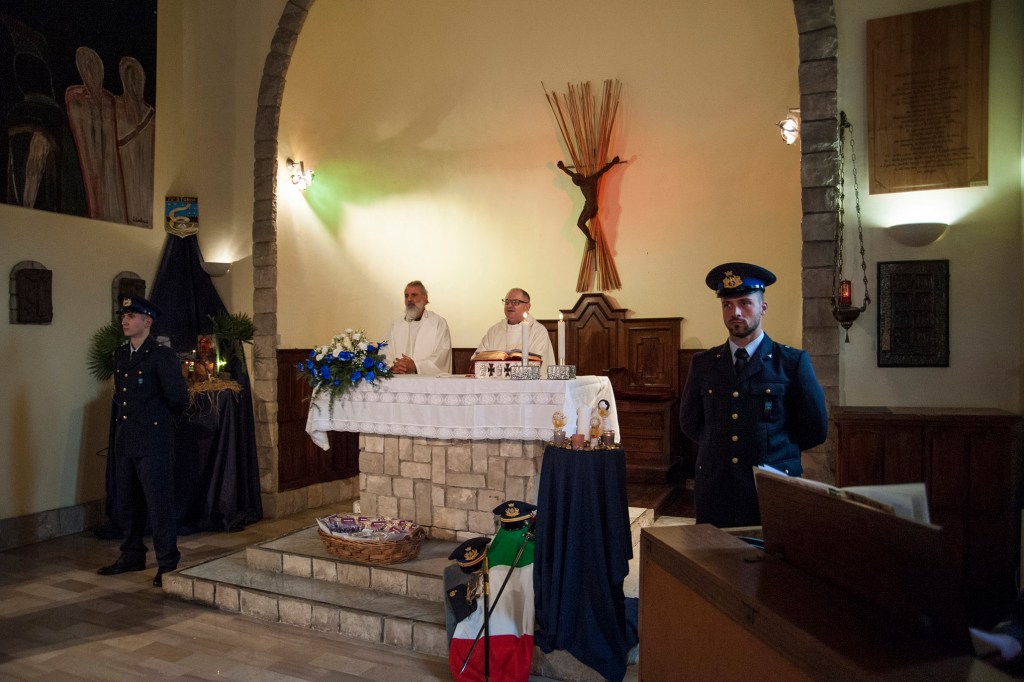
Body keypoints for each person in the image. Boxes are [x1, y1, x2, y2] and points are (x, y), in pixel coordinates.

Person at [679, 262, 828, 528]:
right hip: (716, 486)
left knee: (772, 562)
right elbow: (690, 421)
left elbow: (815, 429)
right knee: (713, 562)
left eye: (745, 303)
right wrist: (718, 445)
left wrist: (772, 450)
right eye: (727, 304)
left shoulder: (791, 362)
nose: (735, 312)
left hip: (771, 485)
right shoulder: (704, 363)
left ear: (763, 307)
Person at [98, 296, 188, 587]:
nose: (124, 321)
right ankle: (132, 553)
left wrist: (158, 424)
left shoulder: (161, 356)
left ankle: (167, 563)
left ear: (147, 321)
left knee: (158, 505)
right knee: (127, 502)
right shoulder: (121, 355)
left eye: (131, 316)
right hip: (127, 439)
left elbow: (178, 398)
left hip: (153, 440)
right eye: (123, 316)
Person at [471, 288, 555, 370]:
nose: (509, 305)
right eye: (507, 302)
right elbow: (477, 359)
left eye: (515, 302)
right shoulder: (494, 331)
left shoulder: (538, 331)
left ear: (527, 307)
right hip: (496, 383)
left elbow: (536, 365)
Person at [384, 280, 452, 376]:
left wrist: (416, 366)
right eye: (406, 296)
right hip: (398, 381)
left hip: (426, 384)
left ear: (425, 298)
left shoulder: (438, 323)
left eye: (414, 295)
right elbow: (385, 351)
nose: (409, 299)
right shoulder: (396, 325)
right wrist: (392, 367)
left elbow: (442, 354)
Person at [556, 156, 624, 242]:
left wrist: (613, 163)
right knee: (580, 224)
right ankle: (590, 240)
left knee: (580, 223)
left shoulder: (591, 180)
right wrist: (562, 168)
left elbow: (603, 170)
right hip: (588, 206)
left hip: (592, 208)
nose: (581, 175)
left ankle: (590, 240)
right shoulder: (586, 180)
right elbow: (571, 174)